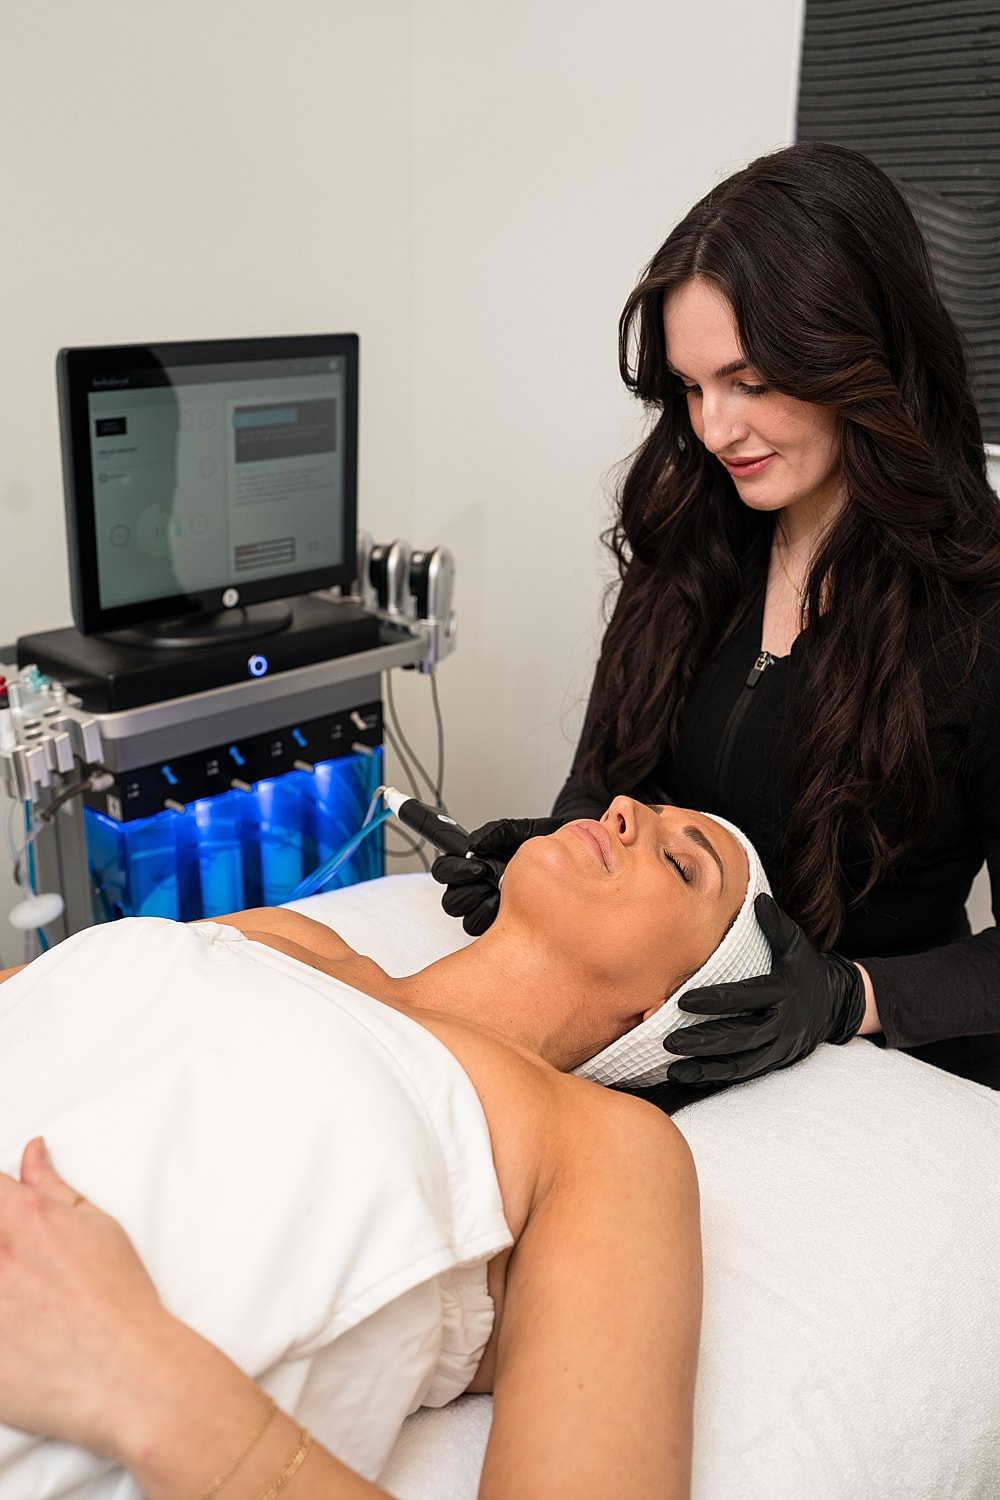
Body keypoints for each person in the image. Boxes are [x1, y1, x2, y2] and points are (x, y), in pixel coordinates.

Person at [0, 799, 770, 1500]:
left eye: (682, 862)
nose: (626, 809)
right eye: (641, 806)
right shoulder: (287, 936)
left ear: (675, 1009)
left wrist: (141, 1380)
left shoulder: (599, 1146)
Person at [434, 141, 1000, 1093]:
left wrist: (845, 994)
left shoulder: (978, 610)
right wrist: (554, 859)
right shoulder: (692, 539)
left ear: (863, 353)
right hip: (677, 1044)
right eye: (691, 388)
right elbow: (606, 782)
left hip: (887, 1073)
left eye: (751, 381)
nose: (713, 430)